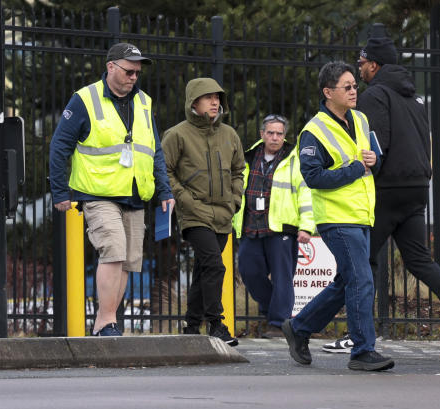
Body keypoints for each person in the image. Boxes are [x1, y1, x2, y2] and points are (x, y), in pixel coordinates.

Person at [346, 35, 440, 357]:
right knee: (419, 259)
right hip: (417, 188)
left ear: (374, 64)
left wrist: (367, 180)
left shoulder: (374, 95)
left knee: (361, 262)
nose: (358, 69)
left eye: (362, 63)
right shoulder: (414, 97)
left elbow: (376, 146)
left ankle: (358, 337)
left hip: (387, 190)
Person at [49, 42, 174, 337]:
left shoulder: (144, 102)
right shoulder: (85, 99)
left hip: (134, 193)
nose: (134, 77)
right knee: (113, 251)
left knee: (129, 261)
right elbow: (59, 147)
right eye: (129, 71)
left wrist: (165, 190)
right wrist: (59, 192)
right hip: (98, 193)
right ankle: (105, 321)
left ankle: (109, 322)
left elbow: (154, 150)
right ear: (110, 67)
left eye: (137, 72)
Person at [282, 61, 394, 372]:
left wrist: (375, 158)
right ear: (328, 92)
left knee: (347, 282)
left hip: (361, 215)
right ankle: (361, 351)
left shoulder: (360, 119)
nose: (354, 90)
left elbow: (373, 159)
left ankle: (299, 327)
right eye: (347, 87)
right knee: (361, 280)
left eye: (354, 86)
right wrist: (358, 167)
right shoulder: (313, 131)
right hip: (336, 218)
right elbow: (314, 176)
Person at [162, 78, 245, 346]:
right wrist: (185, 200)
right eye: (208, 97)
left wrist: (234, 200)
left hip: (223, 214)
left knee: (202, 270)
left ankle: (192, 325)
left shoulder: (229, 134)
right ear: (193, 102)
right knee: (214, 265)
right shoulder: (177, 134)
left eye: (217, 97)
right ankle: (216, 324)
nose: (214, 102)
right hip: (194, 214)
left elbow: (237, 170)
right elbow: (164, 171)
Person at [233, 113, 313, 339]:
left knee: (282, 277)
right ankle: (273, 308)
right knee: (249, 271)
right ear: (262, 134)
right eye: (271, 133)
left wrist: (306, 226)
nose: (275, 138)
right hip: (251, 225)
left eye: (279, 133)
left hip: (282, 227)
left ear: (284, 136)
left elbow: (306, 193)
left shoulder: (294, 159)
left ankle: (279, 323)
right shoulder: (248, 157)